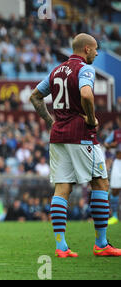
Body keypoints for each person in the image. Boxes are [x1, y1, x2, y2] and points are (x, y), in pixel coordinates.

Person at [29, 33, 121, 257]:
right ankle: (101, 244)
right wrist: (90, 119)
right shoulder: (85, 69)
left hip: (58, 136)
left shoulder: (55, 71)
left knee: (62, 188)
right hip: (81, 135)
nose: (98, 53)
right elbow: (87, 95)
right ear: (87, 49)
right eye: (96, 49)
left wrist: (52, 122)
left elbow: (34, 96)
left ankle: (61, 247)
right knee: (100, 183)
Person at [104, 118, 121, 225]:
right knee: (115, 189)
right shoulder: (115, 133)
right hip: (118, 162)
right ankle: (114, 216)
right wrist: (111, 145)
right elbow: (105, 143)